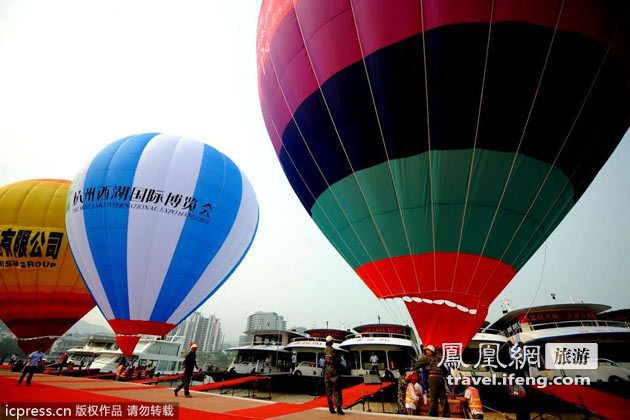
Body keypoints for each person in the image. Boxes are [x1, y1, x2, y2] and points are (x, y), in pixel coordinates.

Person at [413, 345, 450, 417]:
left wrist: (413, 367)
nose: (426, 351)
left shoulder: (428, 358)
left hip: (433, 379)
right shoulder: (439, 359)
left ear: (430, 351)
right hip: (441, 380)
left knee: (433, 398)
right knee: (443, 398)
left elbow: (417, 364)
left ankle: (432, 415)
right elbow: (445, 372)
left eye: (427, 350)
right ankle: (446, 415)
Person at [324, 335, 344, 415]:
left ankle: (331, 408)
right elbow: (338, 363)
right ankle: (339, 409)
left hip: (327, 371)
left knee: (328, 391)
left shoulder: (325, 350)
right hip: (334, 372)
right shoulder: (335, 351)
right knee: (337, 390)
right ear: (332, 342)